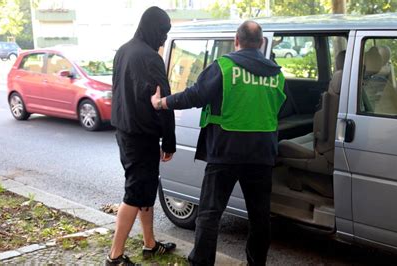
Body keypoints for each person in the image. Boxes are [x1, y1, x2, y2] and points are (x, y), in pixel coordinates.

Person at [151, 21, 287, 266]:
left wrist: (162, 103)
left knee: (210, 214)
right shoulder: (276, 74)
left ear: (237, 40)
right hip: (262, 154)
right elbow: (278, 108)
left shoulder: (224, 67)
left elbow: (194, 95)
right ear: (262, 43)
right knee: (259, 217)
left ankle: (201, 262)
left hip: (226, 151)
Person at [107, 6, 177, 266]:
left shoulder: (123, 50)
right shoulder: (150, 58)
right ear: (153, 29)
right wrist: (169, 141)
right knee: (135, 193)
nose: (164, 38)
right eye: (163, 32)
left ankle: (150, 244)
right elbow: (164, 102)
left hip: (124, 132)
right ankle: (114, 256)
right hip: (142, 135)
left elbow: (118, 91)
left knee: (145, 189)